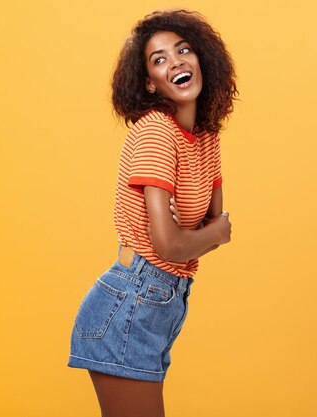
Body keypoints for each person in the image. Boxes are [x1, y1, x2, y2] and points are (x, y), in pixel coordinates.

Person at [68, 9, 238, 417]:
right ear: (149, 82)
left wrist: (201, 234)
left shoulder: (206, 139)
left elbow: (209, 231)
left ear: (202, 59)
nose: (176, 61)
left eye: (183, 50)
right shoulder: (155, 131)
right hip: (131, 301)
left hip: (160, 303)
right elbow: (180, 240)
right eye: (159, 59)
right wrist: (206, 233)